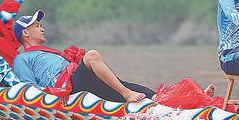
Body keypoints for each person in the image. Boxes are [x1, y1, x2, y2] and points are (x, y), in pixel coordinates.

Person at [12, 10, 153, 104]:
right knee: (92, 56)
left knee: (123, 84)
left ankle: (158, 99)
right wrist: (55, 93)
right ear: (25, 33)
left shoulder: (47, 52)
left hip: (76, 79)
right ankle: (127, 94)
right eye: (37, 26)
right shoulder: (22, 59)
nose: (42, 29)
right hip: (67, 86)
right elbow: (29, 88)